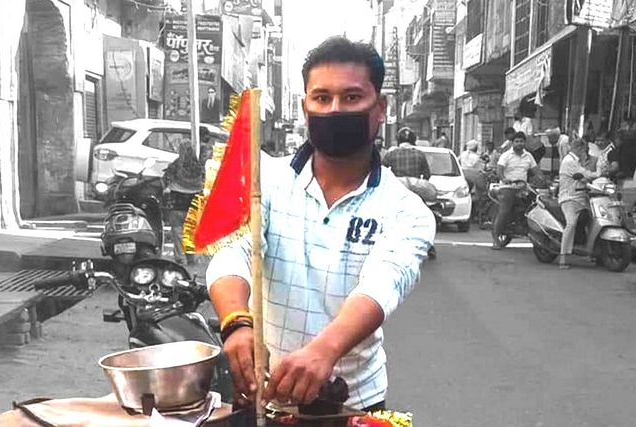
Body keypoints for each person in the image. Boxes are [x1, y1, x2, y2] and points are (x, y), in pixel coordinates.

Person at [205, 36, 436, 412]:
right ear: (305, 107)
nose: (334, 110)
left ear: (380, 108)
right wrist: (235, 321)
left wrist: (323, 351)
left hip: (352, 402)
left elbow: (383, 284)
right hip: (265, 395)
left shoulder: (406, 210)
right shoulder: (263, 181)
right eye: (322, 98)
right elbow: (234, 250)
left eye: (351, 98)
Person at [492, 131, 545, 250]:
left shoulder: (528, 156)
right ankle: (496, 239)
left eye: (521, 141)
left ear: (524, 143)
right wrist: (505, 179)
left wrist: (543, 179)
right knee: (505, 211)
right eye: (517, 141)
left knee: (536, 204)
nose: (519, 144)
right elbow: (499, 171)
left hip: (524, 186)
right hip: (508, 187)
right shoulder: (506, 155)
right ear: (513, 143)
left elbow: (536, 170)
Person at [558, 138, 600, 269]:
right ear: (579, 149)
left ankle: (592, 252)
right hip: (569, 198)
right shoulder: (569, 161)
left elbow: (582, 179)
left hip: (581, 197)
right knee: (571, 223)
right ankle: (563, 257)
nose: (585, 152)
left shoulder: (576, 161)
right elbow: (585, 175)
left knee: (594, 220)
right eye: (584, 150)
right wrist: (599, 173)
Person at [162, 140, 205, 266]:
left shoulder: (175, 165)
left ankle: (181, 258)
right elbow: (204, 181)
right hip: (193, 205)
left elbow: (166, 179)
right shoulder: (197, 167)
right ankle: (192, 257)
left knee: (177, 232)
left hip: (177, 204)